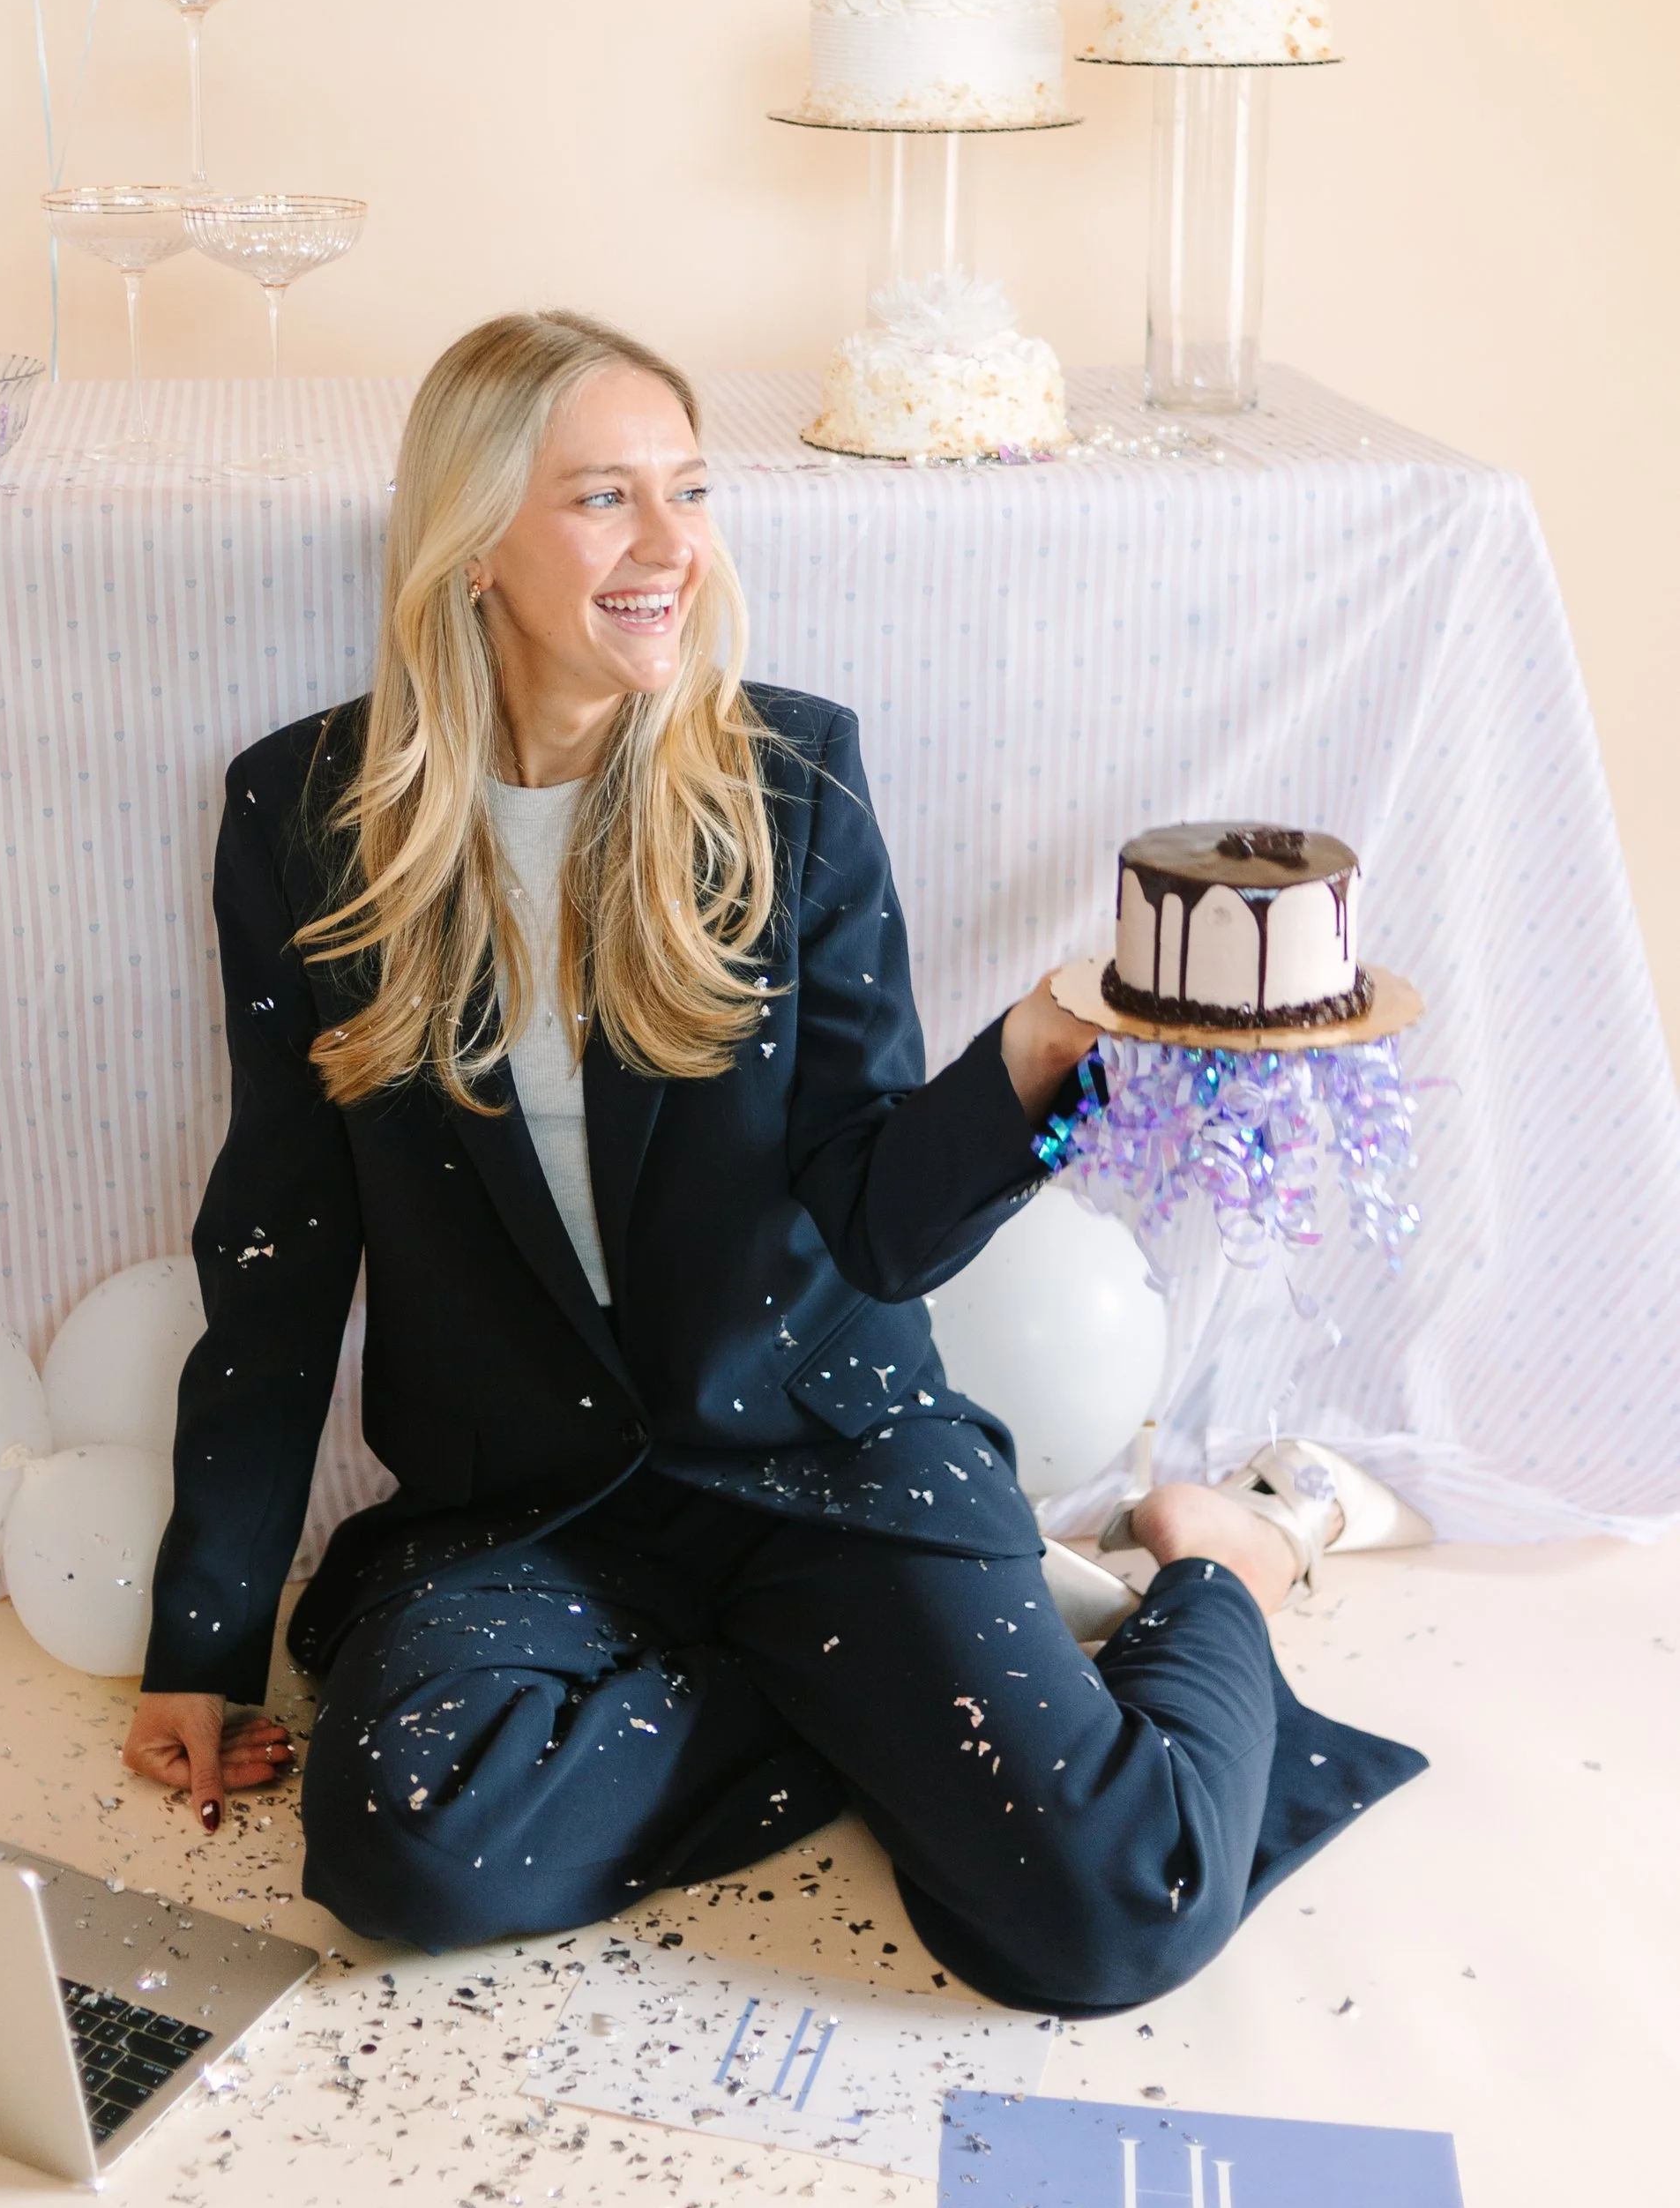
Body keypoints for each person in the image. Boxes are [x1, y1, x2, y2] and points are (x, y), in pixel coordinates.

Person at [123, 310, 1424, 2015]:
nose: (673, 545)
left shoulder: (789, 782)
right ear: (474, 543)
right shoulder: (302, 816)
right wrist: (206, 1636)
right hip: (521, 1505)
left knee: (1118, 1915)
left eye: (692, 488)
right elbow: (280, 1248)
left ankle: (1220, 1561)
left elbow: (873, 1225)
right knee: (402, 1851)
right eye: (606, 498)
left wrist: (1041, 1043)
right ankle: (852, 1709)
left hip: (826, 1459)